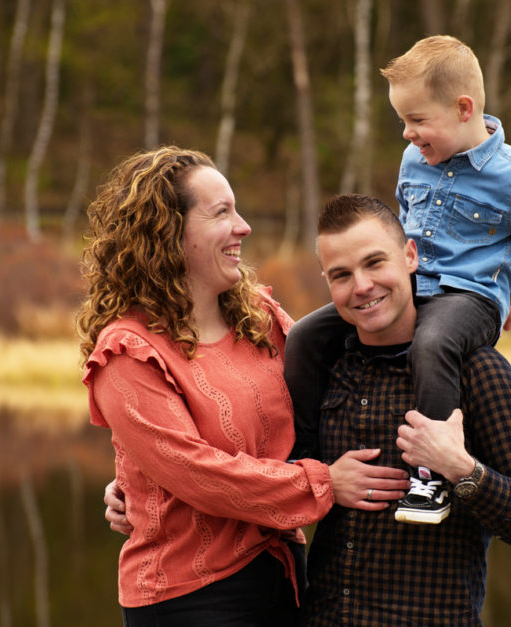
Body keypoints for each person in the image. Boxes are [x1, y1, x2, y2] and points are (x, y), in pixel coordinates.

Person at [108, 194, 511, 625]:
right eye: (341, 274)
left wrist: (460, 468)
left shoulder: (476, 373)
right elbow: (265, 463)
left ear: (411, 256)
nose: (362, 286)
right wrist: (143, 489)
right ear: (328, 283)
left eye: (375, 262)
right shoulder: (322, 370)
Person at [78, 148, 409, 626]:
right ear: (169, 234)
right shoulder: (127, 351)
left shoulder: (261, 319)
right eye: (221, 213)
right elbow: (196, 473)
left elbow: (343, 394)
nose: (244, 226)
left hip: (284, 575)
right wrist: (324, 483)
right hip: (188, 600)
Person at [284, 35, 511, 524]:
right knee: (306, 334)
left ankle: (430, 478)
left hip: (471, 298)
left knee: (432, 342)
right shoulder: (415, 160)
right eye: (402, 121)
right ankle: (302, 457)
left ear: (464, 109)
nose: (406, 133)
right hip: (416, 285)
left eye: (417, 121)